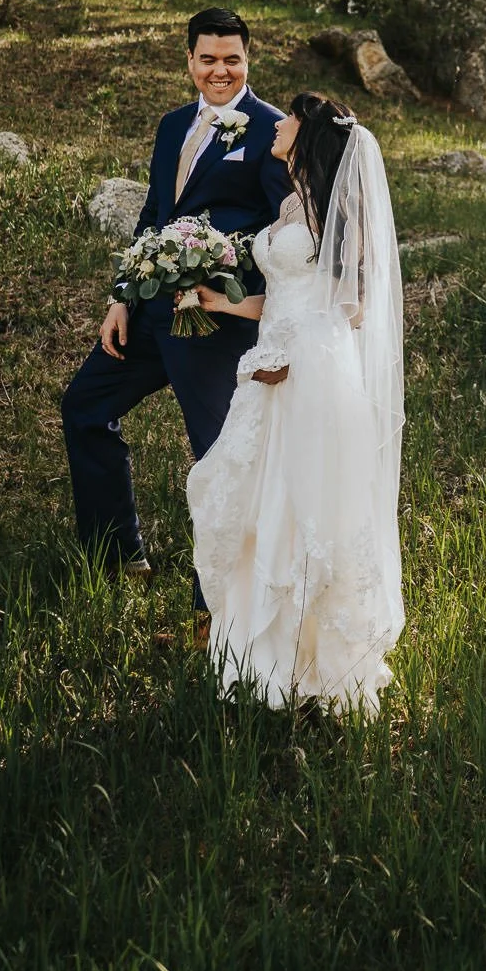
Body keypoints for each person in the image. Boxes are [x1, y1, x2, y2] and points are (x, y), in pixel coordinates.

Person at [60, 9, 290, 635]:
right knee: (83, 404)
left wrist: (219, 265)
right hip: (152, 313)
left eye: (233, 59)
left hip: (215, 321)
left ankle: (215, 601)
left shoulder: (272, 131)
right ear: (189, 60)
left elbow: (285, 225)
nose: (221, 70)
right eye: (209, 58)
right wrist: (122, 296)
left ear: (248, 61)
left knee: (217, 456)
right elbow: (156, 214)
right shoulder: (171, 127)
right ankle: (117, 552)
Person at [184, 92, 406, 712]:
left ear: (306, 133)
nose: (277, 123)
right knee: (254, 501)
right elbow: (281, 293)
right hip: (268, 367)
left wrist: (296, 356)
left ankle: (313, 666)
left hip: (310, 374)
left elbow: (352, 308)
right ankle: (255, 663)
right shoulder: (289, 203)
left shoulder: (344, 209)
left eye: (289, 118)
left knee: (305, 508)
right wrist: (224, 304)